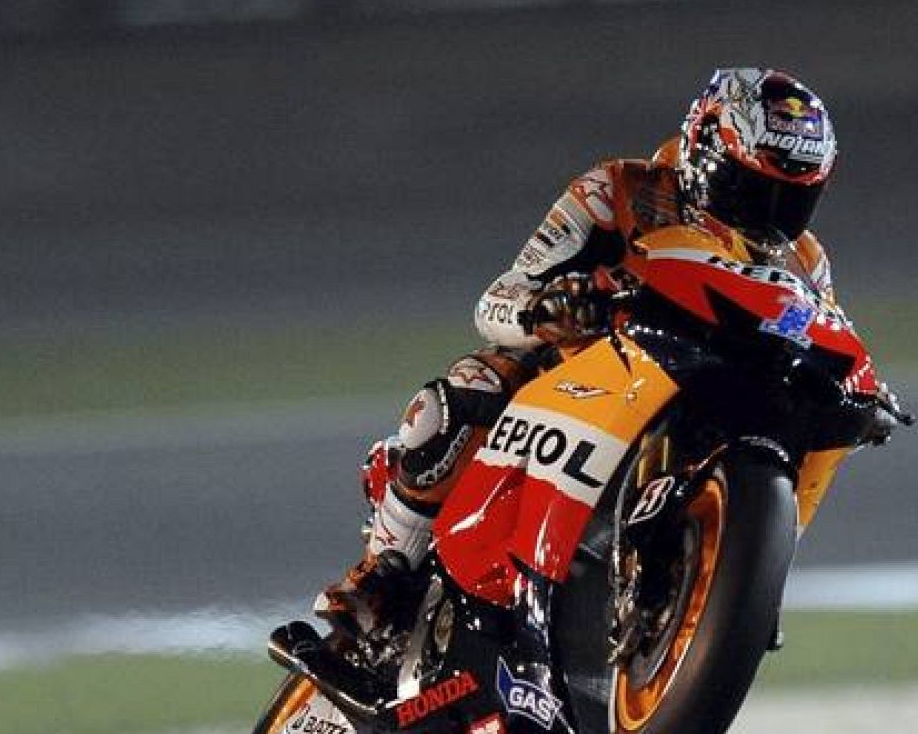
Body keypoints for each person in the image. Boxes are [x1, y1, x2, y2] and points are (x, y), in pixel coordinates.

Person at [318, 67, 845, 637]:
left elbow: (818, 333)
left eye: (791, 200)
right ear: (705, 148)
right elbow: (497, 299)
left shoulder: (805, 263)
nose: (768, 214)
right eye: (752, 187)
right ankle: (383, 570)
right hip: (588, 377)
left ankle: (730, 577)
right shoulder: (618, 190)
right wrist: (547, 310)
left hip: (714, 402)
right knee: (466, 390)